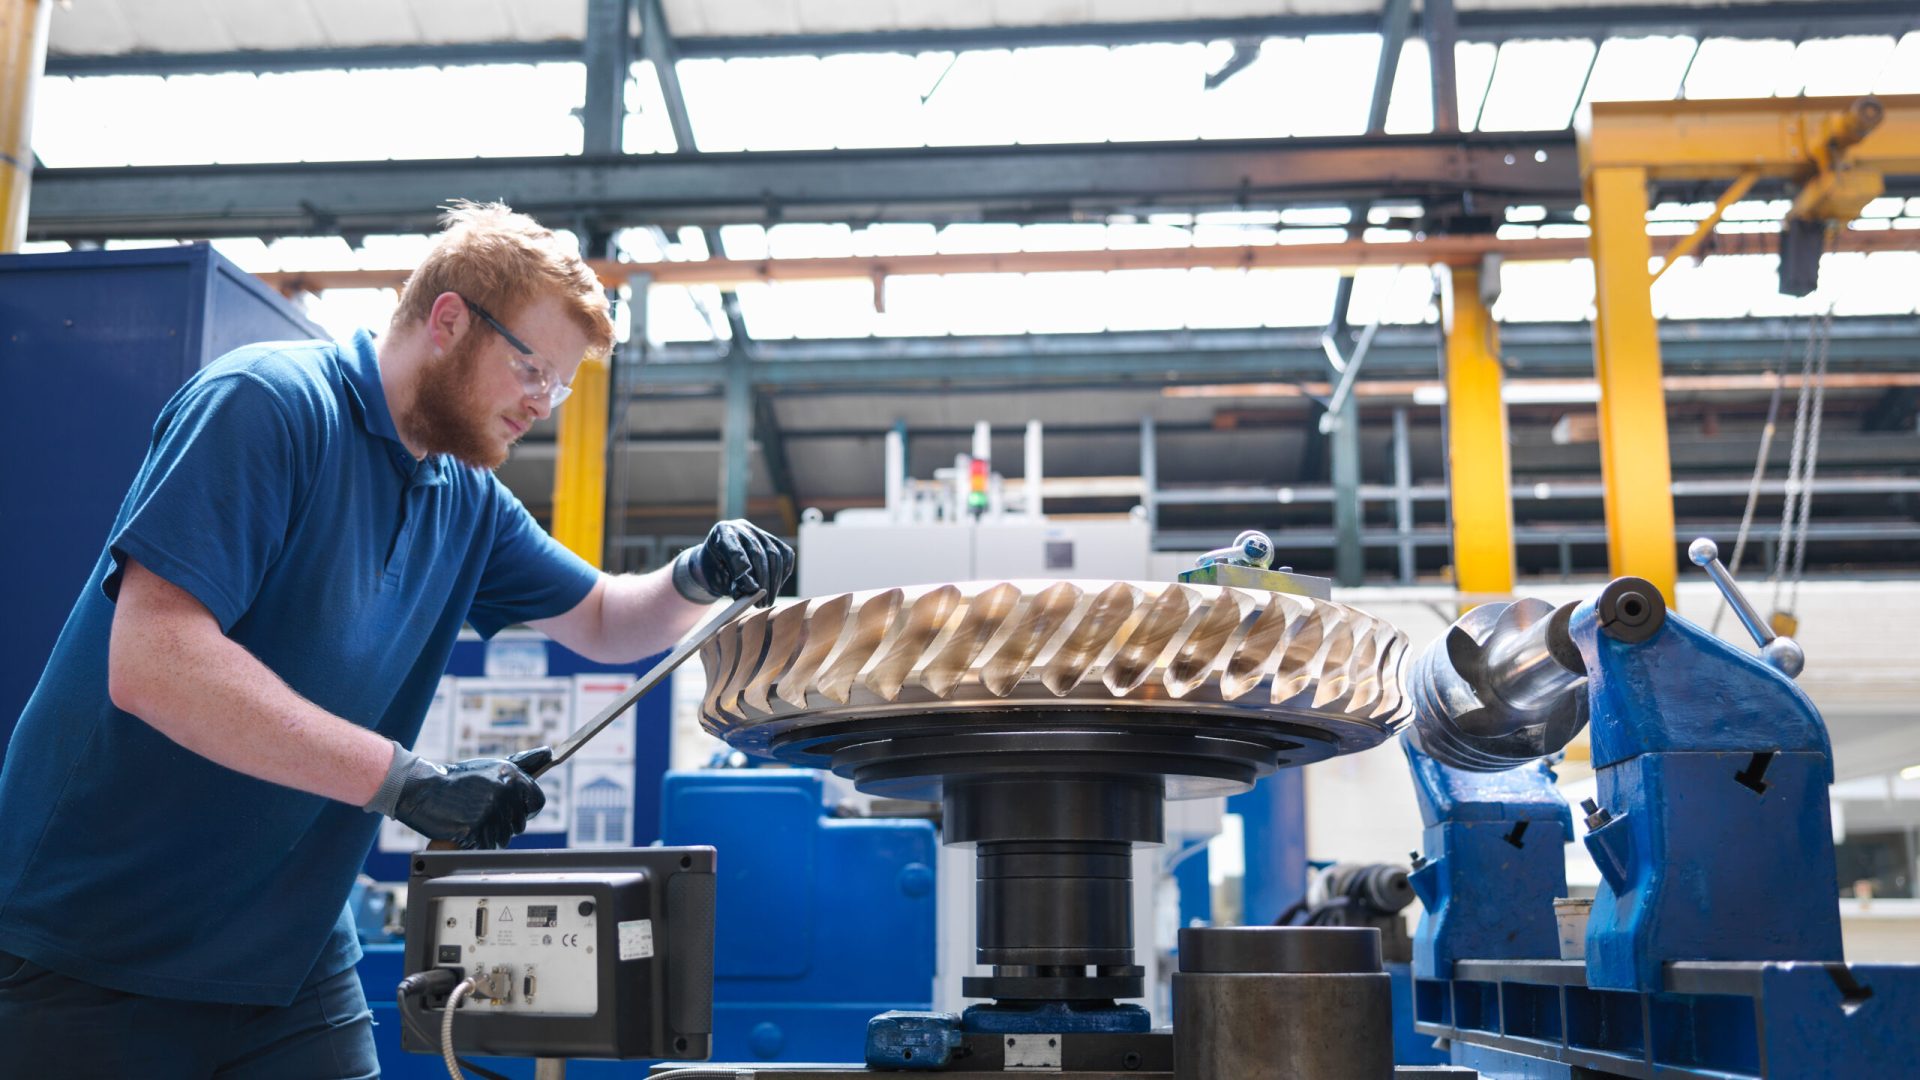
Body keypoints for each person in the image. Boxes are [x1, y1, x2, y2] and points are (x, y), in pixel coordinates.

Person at [0, 201, 793, 1078]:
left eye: (559, 384)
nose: (543, 402)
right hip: (92, 948)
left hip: (287, 955)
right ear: (449, 320)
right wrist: (406, 783)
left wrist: (698, 575)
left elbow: (605, 621)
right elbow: (153, 663)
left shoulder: (464, 496)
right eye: (532, 367)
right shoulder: (267, 406)